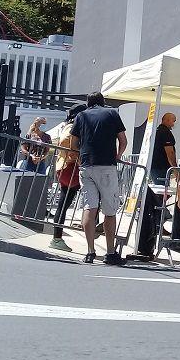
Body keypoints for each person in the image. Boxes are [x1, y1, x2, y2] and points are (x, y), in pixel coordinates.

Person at [70, 92, 128, 265]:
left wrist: (79, 158)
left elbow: (74, 144)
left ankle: (90, 252)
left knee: (89, 208)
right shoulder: (112, 114)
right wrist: (118, 155)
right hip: (106, 166)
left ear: (88, 103)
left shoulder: (81, 116)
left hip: (87, 166)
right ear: (103, 102)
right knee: (109, 211)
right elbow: (123, 140)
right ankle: (110, 253)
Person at [131, 112, 178, 261]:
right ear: (167, 120)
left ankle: (158, 224)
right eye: (173, 121)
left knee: (159, 197)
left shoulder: (156, 132)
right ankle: (158, 224)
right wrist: (175, 170)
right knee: (160, 199)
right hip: (161, 168)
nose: (174, 124)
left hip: (153, 167)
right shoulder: (166, 134)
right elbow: (170, 154)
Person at [49, 103, 86, 252]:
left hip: (66, 166)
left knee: (64, 203)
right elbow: (66, 142)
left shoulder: (68, 125)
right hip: (69, 167)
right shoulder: (72, 127)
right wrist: (76, 153)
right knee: (64, 203)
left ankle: (57, 237)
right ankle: (56, 238)